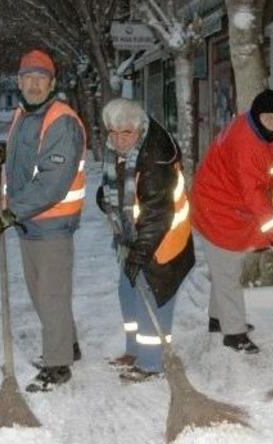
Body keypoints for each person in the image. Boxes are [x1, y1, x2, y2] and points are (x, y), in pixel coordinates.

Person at [0, 49, 86, 392]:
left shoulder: (61, 120)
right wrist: (4, 151)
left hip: (51, 225)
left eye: (40, 78)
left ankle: (58, 366)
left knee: (51, 296)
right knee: (45, 294)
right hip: (31, 224)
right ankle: (68, 345)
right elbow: (29, 155)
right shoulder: (25, 114)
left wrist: (12, 212)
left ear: (52, 82)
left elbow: (52, 182)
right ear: (18, 81)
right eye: (27, 77)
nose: (33, 84)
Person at [191, 89, 273, 354]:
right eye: (268, 119)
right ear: (256, 115)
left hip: (227, 203)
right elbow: (256, 201)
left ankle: (218, 319)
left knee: (226, 269)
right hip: (217, 208)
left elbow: (272, 158)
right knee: (228, 272)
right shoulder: (245, 144)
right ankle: (234, 333)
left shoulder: (259, 129)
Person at [95, 98, 195, 383]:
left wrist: (139, 255)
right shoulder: (121, 149)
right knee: (128, 293)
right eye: (112, 133)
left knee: (153, 300)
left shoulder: (155, 160)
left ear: (139, 130)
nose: (118, 140)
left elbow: (157, 216)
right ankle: (135, 350)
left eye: (125, 133)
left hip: (163, 243)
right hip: (134, 237)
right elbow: (120, 188)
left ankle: (153, 363)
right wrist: (108, 199)